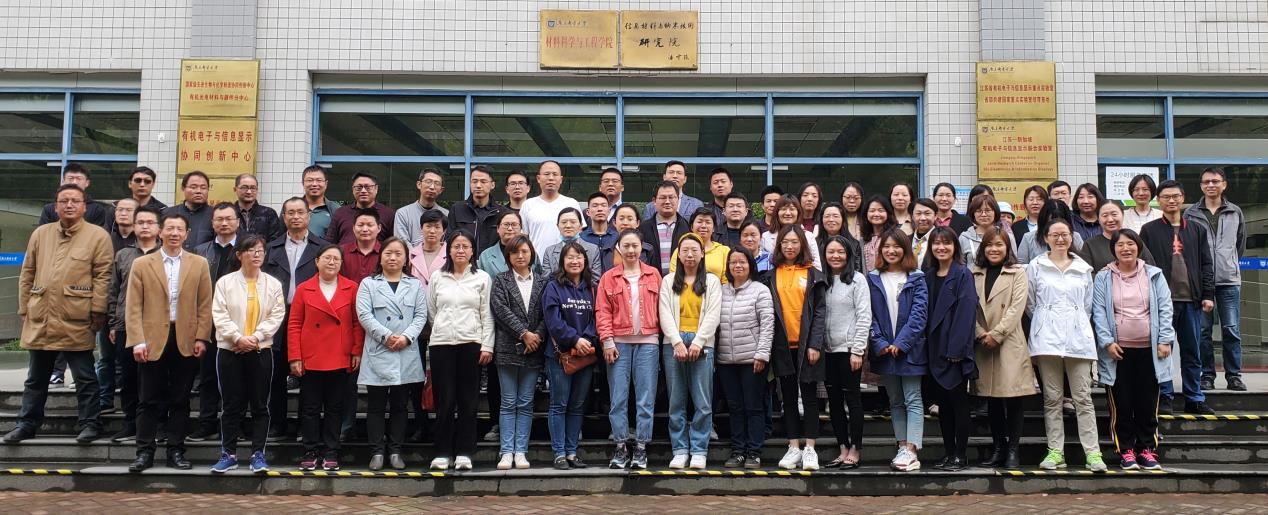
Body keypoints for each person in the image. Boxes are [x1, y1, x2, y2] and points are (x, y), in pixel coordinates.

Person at [6, 184, 111, 444]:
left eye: (75, 200)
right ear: (56, 207)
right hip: (41, 315)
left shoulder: (97, 236)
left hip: (77, 317)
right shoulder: (41, 234)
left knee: (85, 377)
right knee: (36, 378)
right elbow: (27, 272)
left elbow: (103, 276)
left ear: (84, 206)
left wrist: (98, 310)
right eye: (64, 201)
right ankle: (26, 424)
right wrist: (24, 307)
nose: (69, 205)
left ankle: (90, 424)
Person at [124, 212, 214, 472]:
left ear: (187, 234)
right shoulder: (142, 264)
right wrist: (137, 340)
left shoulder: (199, 264)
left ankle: (176, 450)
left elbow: (205, 304)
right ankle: (144, 452)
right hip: (151, 339)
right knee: (148, 399)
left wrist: (202, 336)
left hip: (185, 337)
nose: (174, 233)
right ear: (160, 232)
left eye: (180, 229)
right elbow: (133, 306)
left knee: (180, 399)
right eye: (170, 228)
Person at [1027, 217, 1106, 472]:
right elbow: (1030, 303)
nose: (1060, 239)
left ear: (1072, 237)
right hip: (1046, 339)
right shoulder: (1036, 266)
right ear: (1046, 238)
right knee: (1052, 398)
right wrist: (1045, 320)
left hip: (1077, 338)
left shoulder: (1083, 268)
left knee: (1083, 398)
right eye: (1055, 235)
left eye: (1065, 234)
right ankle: (1055, 452)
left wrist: (1073, 320)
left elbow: (1087, 305)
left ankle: (1093, 453)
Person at [1093, 229, 1174, 471]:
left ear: (1138, 246)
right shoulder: (1104, 277)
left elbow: (1165, 308)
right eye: (1120, 245)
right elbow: (1099, 312)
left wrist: (1165, 340)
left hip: (1151, 351)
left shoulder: (1154, 275)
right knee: (1122, 403)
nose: (1125, 248)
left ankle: (1147, 449)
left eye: (1130, 244)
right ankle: (1126, 450)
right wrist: (1107, 342)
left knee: (1147, 403)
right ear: (1113, 249)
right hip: (1118, 352)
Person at [209, 235, 286, 474]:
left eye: (260, 250)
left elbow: (276, 315)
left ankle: (258, 454)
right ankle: (228, 454)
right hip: (230, 350)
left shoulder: (273, 284)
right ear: (239, 254)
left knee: (260, 404)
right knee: (231, 404)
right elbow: (219, 314)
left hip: (260, 350)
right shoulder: (225, 282)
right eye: (251, 250)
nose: (256, 254)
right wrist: (237, 338)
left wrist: (255, 338)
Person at [1140, 180, 1216, 415]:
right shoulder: (1149, 230)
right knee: (1163, 351)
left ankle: (1194, 397)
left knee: (1192, 351)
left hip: (1192, 301)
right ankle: (1165, 396)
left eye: (1175, 196)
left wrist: (1208, 294)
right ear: (1158, 201)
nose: (1171, 200)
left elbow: (1206, 264)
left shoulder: (1197, 229)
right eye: (1166, 197)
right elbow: (1144, 266)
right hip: (1162, 302)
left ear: (1183, 198)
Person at [356, 237, 428, 471]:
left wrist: (406, 337)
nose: (393, 258)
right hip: (379, 349)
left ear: (406, 259)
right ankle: (377, 452)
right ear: (380, 257)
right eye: (388, 253)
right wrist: (386, 336)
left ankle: (396, 450)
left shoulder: (415, 285)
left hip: (405, 351)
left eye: (398, 254)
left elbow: (421, 315)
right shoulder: (368, 284)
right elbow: (364, 315)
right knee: (375, 405)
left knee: (400, 405)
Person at [288, 244, 363, 471]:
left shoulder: (351, 287)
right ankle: (310, 450)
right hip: (311, 357)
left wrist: (356, 351)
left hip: (340, 355)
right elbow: (294, 324)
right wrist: (295, 356)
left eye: (336, 259)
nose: (332, 262)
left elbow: (357, 323)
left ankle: (331, 451)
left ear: (341, 263)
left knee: (334, 408)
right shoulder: (304, 288)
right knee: (310, 407)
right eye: (327, 258)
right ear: (317, 261)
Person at [426, 230, 494, 471]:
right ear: (449, 250)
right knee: (444, 401)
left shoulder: (482, 278)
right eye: (456, 246)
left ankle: (465, 451)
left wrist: (487, 345)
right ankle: (442, 452)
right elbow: (432, 311)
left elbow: (487, 314)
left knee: (468, 401)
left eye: (466, 246)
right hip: (442, 344)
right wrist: (442, 329)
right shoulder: (437, 277)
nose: (461, 250)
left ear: (473, 251)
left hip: (471, 343)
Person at [971, 226, 1036, 470]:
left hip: (1009, 341)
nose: (994, 249)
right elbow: (969, 307)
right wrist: (980, 333)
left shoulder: (1017, 272)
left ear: (1007, 247)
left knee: (1013, 397)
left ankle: (1013, 450)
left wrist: (996, 334)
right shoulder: (974, 273)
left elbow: (1017, 307)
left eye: (999, 244)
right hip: (983, 343)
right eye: (989, 244)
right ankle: (998, 447)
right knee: (993, 400)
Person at [597, 229, 662, 470]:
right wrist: (607, 341)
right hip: (619, 343)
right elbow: (602, 311)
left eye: (635, 245)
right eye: (626, 246)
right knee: (618, 398)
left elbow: (663, 307)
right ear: (619, 249)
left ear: (642, 247)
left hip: (649, 341)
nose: (631, 250)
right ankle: (621, 446)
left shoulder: (654, 274)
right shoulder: (609, 277)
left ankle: (641, 447)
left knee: (645, 398)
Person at [263, 197, 328, 440]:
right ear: (284, 217)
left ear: (309, 216)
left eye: (300, 212)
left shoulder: (322, 248)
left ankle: (306, 425)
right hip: (278, 317)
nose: (296, 217)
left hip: (311, 317)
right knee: (275, 373)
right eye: (290, 212)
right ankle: (276, 424)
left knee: (310, 376)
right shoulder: (271, 248)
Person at [658, 233, 722, 470]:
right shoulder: (668, 281)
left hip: (702, 343)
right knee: (676, 400)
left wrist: (699, 342)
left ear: (702, 253)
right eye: (685, 250)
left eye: (695, 250)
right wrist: (676, 342)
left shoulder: (712, 281)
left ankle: (699, 450)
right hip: (673, 343)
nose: (690, 254)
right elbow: (664, 312)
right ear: (678, 254)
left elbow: (714, 313)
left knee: (702, 401)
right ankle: (680, 450)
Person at [867, 228, 928, 472]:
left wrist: (901, 343)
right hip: (884, 350)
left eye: (897, 246)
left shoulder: (917, 277)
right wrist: (880, 343)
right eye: (887, 247)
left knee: (913, 398)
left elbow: (919, 315)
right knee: (895, 400)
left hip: (910, 349)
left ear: (905, 249)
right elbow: (868, 314)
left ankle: (912, 450)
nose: (891, 251)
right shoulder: (873, 278)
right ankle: (902, 445)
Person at [769, 225, 828, 471]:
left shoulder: (814, 274)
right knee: (789, 398)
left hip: (808, 348)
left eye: (795, 242)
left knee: (810, 397)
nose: (790, 246)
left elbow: (821, 311)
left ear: (802, 244)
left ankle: (810, 449)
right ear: (779, 245)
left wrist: (815, 343)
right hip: (782, 346)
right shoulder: (771, 275)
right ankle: (793, 446)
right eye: (785, 242)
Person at [1184, 168, 1246, 392]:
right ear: (1201, 186)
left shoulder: (1235, 211)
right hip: (1202, 282)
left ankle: (1234, 376)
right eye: (1206, 182)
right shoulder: (1190, 213)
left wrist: (1229, 262)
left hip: (1229, 280)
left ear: (1224, 184)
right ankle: (1207, 375)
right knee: (1203, 331)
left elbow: (1240, 244)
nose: (1211, 185)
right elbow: (1187, 245)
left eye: (1215, 181)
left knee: (1231, 329)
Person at [922, 227, 978, 471]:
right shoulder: (928, 276)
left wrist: (956, 351)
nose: (941, 247)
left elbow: (966, 312)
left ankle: (960, 455)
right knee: (943, 405)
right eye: (936, 243)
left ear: (955, 246)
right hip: (933, 350)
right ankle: (948, 452)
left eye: (946, 243)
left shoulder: (963, 274)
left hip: (953, 351)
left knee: (958, 403)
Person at [489, 235, 547, 470]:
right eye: (515, 252)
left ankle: (520, 451)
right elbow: (500, 310)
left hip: (534, 349)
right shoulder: (500, 280)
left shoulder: (543, 281)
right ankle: (506, 451)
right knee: (508, 401)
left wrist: (536, 336)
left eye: (524, 251)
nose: (520, 256)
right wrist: (524, 333)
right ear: (508, 256)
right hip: (507, 348)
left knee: (525, 402)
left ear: (531, 253)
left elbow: (546, 313)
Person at [105, 206, 162, 443]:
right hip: (125, 325)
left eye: (150, 222)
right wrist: (113, 323)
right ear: (134, 226)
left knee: (157, 378)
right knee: (128, 377)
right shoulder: (123, 255)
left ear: (159, 228)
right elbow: (114, 291)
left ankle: (157, 424)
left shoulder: (167, 254)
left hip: (158, 326)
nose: (145, 226)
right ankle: (130, 423)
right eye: (141, 222)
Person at [713, 248, 773, 469]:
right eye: (733, 262)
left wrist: (762, 354)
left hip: (752, 360)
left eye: (742, 262)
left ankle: (754, 452)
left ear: (750, 265)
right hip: (726, 360)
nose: (737, 266)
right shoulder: (721, 291)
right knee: (735, 407)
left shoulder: (760, 290)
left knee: (753, 407)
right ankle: (738, 451)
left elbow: (767, 325)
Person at [542, 241, 599, 470]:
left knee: (577, 405)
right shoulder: (553, 287)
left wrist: (586, 340)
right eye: (570, 257)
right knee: (559, 404)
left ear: (585, 260)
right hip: (560, 356)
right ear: (562, 262)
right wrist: (575, 340)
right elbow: (553, 321)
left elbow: (598, 317)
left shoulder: (592, 288)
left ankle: (572, 452)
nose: (574, 261)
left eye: (578, 257)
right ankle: (559, 453)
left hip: (585, 355)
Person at [188, 202, 243, 442]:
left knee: (236, 379)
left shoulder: (246, 249)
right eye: (219, 219)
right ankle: (206, 422)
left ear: (237, 222)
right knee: (208, 376)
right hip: (208, 323)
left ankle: (234, 426)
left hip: (238, 322)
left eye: (229, 219)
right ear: (212, 223)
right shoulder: (200, 251)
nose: (224, 223)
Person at [820, 235, 870, 469]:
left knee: (853, 399)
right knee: (834, 401)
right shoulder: (821, 280)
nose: (835, 256)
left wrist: (858, 350)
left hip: (849, 350)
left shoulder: (857, 280)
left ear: (848, 255)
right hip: (827, 350)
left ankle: (855, 449)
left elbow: (864, 316)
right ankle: (842, 447)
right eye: (831, 252)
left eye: (840, 252)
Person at [521, 160, 584, 253]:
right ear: (538, 178)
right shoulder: (528, 205)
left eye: (555, 174)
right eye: (546, 174)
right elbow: (524, 237)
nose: (551, 178)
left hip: (567, 259)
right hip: (537, 260)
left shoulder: (572, 203)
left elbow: (580, 234)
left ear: (561, 179)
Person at [1078, 201, 1156, 272]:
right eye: (1105, 215)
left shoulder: (1134, 240)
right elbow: (1086, 273)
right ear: (1098, 219)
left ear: (1123, 215)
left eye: (1114, 214)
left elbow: (1150, 268)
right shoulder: (1090, 244)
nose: (1110, 219)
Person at [325, 172, 395, 245]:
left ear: (376, 189)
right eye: (359, 187)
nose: (363, 191)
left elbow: (393, 243)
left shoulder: (388, 214)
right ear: (353, 189)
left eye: (368, 187)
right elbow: (330, 242)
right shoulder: (341, 213)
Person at [38, 163, 113, 229]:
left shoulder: (98, 209)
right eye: (70, 178)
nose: (74, 182)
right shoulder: (49, 209)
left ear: (87, 183)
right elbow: (44, 234)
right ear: (63, 181)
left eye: (78, 179)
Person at [639, 181, 690, 275]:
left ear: (678, 199)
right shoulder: (644, 228)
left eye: (671, 197)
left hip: (680, 280)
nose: (667, 201)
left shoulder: (687, 227)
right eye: (663, 197)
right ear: (654, 201)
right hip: (651, 280)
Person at [669, 207, 731, 283]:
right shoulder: (681, 250)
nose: (703, 226)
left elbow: (727, 282)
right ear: (692, 226)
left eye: (708, 222)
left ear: (714, 228)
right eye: (699, 222)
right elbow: (673, 278)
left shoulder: (724, 251)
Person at [541, 207, 603, 280]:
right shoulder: (549, 251)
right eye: (564, 222)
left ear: (580, 225)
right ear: (557, 226)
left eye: (573, 222)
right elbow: (546, 280)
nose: (568, 226)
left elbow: (595, 280)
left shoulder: (593, 249)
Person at [761, 196, 822, 270]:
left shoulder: (808, 236)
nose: (788, 213)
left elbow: (817, 267)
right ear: (777, 212)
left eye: (792, 209)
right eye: (783, 209)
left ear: (798, 212)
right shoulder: (765, 237)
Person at [1017, 200, 1086, 264]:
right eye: (1052, 222)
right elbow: (1021, 265)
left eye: (1061, 222)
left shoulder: (1075, 237)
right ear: (1043, 220)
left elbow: (1084, 263)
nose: (1056, 226)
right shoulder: (1028, 238)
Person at [394, 168, 448, 246]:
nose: (432, 187)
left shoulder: (446, 214)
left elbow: (446, 243)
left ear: (441, 190)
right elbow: (402, 244)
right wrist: (418, 253)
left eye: (437, 183)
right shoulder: (403, 213)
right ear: (419, 184)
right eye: (428, 182)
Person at [958, 194, 1016, 262]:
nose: (983, 214)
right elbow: (960, 264)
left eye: (988, 210)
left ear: (995, 212)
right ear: (973, 213)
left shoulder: (1007, 236)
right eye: (979, 211)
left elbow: (1013, 262)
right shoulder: (964, 238)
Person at [164, 171, 215, 249]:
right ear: (183, 188)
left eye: (203, 188)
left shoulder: (215, 215)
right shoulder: (168, 213)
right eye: (193, 187)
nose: (198, 191)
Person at [478, 211, 537, 276]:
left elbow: (539, 277)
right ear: (497, 228)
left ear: (521, 229)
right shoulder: (485, 256)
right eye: (506, 224)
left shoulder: (530, 252)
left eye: (514, 224)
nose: (510, 228)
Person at [816, 202, 864, 275]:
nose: (831, 219)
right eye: (827, 216)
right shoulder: (814, 244)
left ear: (843, 219)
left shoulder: (854, 244)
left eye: (835, 216)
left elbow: (857, 270)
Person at [233, 174, 282, 241]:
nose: (249, 192)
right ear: (235, 189)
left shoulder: (269, 213)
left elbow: (275, 241)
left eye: (253, 188)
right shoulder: (229, 214)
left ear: (257, 190)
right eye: (244, 187)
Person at [605, 203, 654, 269]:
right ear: (614, 222)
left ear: (637, 223)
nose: (625, 223)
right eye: (621, 219)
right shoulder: (606, 249)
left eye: (630, 219)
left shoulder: (648, 250)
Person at [580, 192, 619, 274]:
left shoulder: (617, 237)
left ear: (609, 211)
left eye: (603, 205)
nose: (600, 209)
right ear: (588, 212)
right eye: (595, 206)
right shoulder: (581, 238)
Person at [408, 210, 448, 288]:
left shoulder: (451, 255)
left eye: (437, 227)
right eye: (428, 226)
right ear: (421, 228)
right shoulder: (411, 255)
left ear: (444, 231)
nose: (432, 231)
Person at [340, 209, 383, 283]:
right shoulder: (341, 251)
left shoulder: (386, 252)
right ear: (353, 228)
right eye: (360, 225)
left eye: (370, 225)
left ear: (379, 228)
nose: (365, 229)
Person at [301, 165, 341, 240]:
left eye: (319, 180)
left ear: (326, 184)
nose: (314, 184)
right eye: (310, 180)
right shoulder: (292, 207)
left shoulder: (336, 210)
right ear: (303, 183)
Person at [860, 196, 898, 273]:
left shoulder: (895, 236)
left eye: (881, 210)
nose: (876, 214)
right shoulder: (863, 239)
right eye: (872, 210)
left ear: (888, 213)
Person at [910, 198, 938, 265]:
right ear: (912, 216)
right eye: (918, 213)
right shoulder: (906, 240)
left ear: (935, 216)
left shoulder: (942, 239)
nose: (923, 218)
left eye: (927, 213)